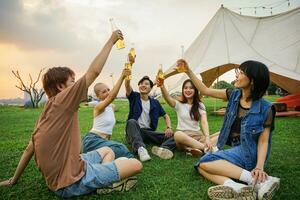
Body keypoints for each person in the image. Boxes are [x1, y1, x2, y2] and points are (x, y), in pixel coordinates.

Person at [0, 30, 143, 198]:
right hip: (71, 183)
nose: (76, 85)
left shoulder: (48, 112)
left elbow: (28, 149)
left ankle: (105, 178)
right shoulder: (63, 99)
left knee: (107, 150)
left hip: (72, 166)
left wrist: (13, 179)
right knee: (135, 165)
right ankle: (106, 182)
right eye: (72, 82)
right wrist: (111, 41)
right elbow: (93, 72)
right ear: (61, 87)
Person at [176, 59, 279, 200]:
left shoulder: (266, 108)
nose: (237, 75)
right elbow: (205, 90)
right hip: (237, 148)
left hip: (251, 151)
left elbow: (263, 141)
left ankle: (259, 180)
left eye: (241, 72)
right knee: (200, 166)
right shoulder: (234, 95)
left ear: (253, 80)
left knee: (205, 161)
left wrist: (259, 167)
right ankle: (237, 188)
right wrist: (188, 70)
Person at [82, 57, 135, 159]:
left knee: (117, 149)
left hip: (102, 142)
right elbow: (111, 97)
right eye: (103, 92)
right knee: (121, 148)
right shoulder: (98, 107)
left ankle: (122, 163)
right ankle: (129, 163)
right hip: (92, 140)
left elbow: (126, 85)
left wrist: (130, 64)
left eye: (108, 89)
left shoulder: (112, 107)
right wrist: (121, 76)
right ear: (98, 96)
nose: (107, 92)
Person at [156, 76, 218, 156]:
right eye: (185, 88)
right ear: (183, 90)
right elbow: (167, 98)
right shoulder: (178, 104)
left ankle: (192, 149)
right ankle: (206, 148)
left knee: (222, 132)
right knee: (177, 134)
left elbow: (204, 122)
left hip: (198, 136)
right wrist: (162, 86)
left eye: (191, 88)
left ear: (195, 90)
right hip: (184, 138)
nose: (188, 90)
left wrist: (207, 138)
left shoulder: (200, 105)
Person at [125, 74, 176, 162]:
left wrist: (169, 127)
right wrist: (128, 73)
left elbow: (166, 115)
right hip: (135, 131)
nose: (143, 85)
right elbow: (127, 85)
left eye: (146, 84)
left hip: (148, 132)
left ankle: (162, 149)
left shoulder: (155, 102)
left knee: (174, 136)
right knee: (131, 121)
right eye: (141, 83)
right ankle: (141, 149)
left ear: (151, 88)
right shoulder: (134, 97)